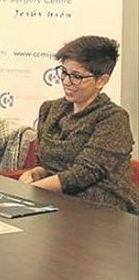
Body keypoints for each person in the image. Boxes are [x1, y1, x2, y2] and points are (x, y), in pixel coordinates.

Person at [19, 36, 137, 214]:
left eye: (76, 77)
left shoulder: (114, 118)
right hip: (56, 205)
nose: (66, 81)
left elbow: (83, 173)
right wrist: (36, 173)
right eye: (64, 72)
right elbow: (48, 164)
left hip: (105, 212)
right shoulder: (50, 109)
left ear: (101, 81)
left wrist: (29, 191)